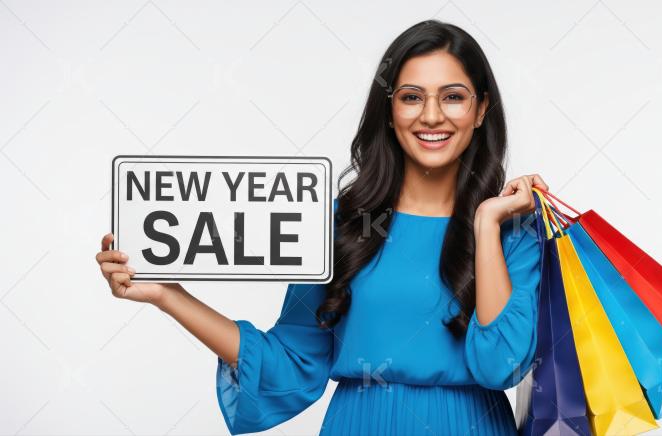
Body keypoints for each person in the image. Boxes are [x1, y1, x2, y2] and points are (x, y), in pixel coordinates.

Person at [95, 19, 550, 435]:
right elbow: (290, 361)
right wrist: (169, 295)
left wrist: (487, 222)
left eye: (453, 96)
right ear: (389, 108)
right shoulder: (338, 223)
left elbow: (501, 367)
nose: (431, 116)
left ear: (481, 107)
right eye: (412, 97)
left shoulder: (514, 230)